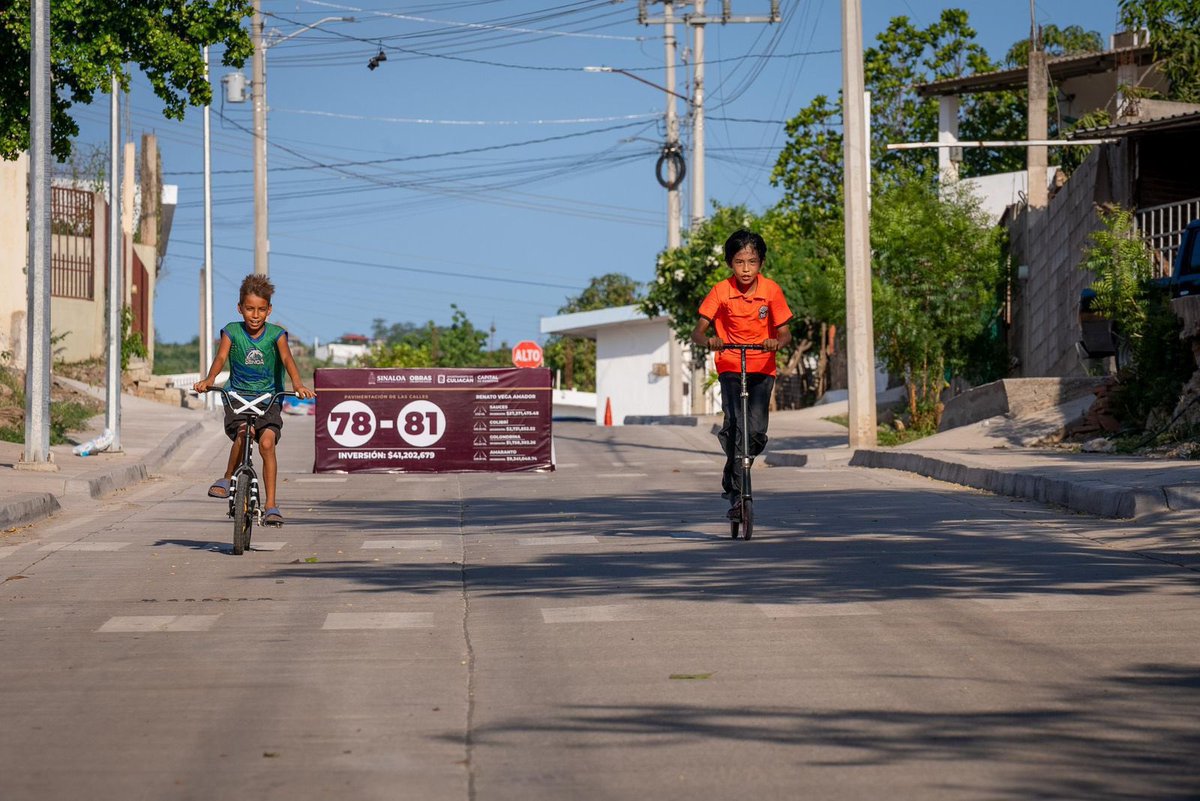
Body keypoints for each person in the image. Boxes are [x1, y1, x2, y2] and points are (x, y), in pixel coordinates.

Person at [193, 274, 314, 526]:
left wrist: (298, 384)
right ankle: (227, 477)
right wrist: (209, 379)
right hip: (238, 397)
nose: (255, 315)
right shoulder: (232, 331)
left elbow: (287, 360)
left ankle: (271, 505)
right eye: (249, 309)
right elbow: (220, 358)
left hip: (268, 399)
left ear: (269, 310)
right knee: (244, 432)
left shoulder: (277, 335)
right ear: (240, 308)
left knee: (267, 444)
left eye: (261, 309)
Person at [691, 229, 793, 518]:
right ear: (729, 263)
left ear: (761, 263)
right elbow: (698, 332)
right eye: (739, 262)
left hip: (762, 366)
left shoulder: (771, 291)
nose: (746, 269)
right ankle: (737, 494)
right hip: (731, 365)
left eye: (752, 262)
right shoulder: (720, 291)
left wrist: (776, 342)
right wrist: (710, 341)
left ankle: (732, 468)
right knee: (735, 424)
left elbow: (785, 333)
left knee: (756, 431)